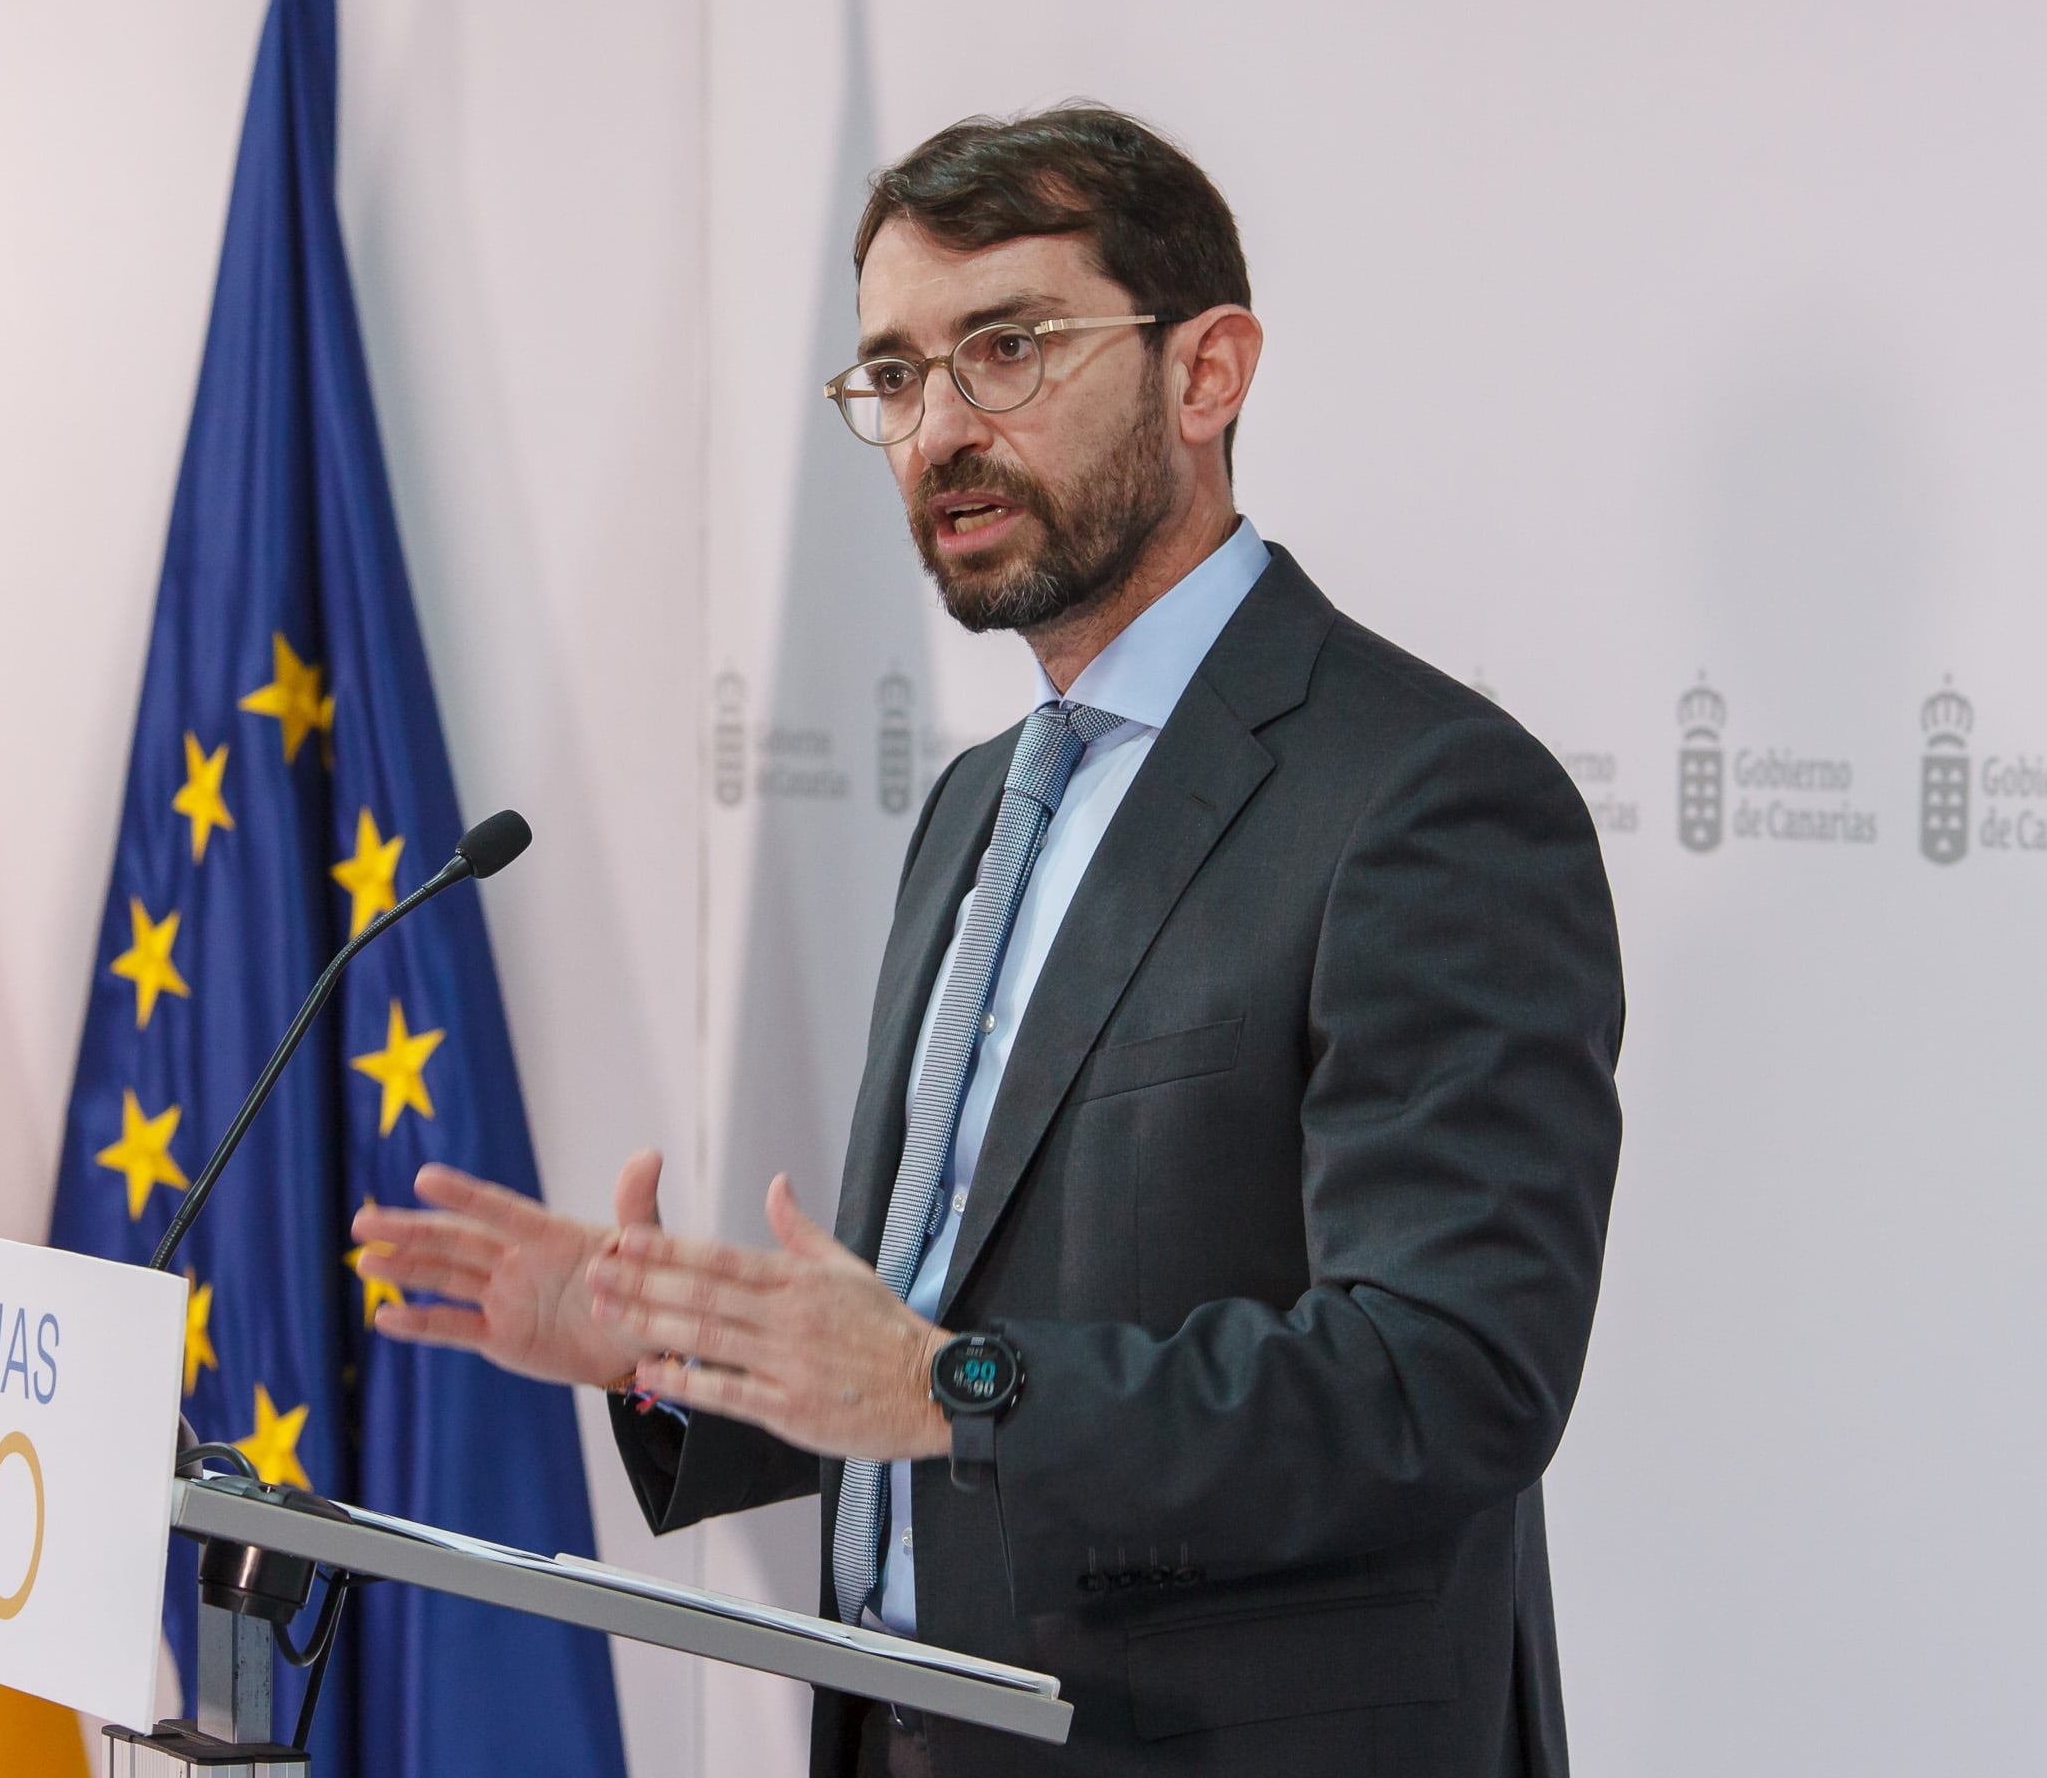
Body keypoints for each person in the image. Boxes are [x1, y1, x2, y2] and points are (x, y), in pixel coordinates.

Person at [352, 104, 1621, 1777]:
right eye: (894, 375)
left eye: (1006, 348)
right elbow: (945, 1326)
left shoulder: (1425, 800)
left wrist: (954, 1389)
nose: (938, 428)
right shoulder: (974, 804)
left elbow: (1444, 1381)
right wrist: (684, 1349)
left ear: (1208, 372)